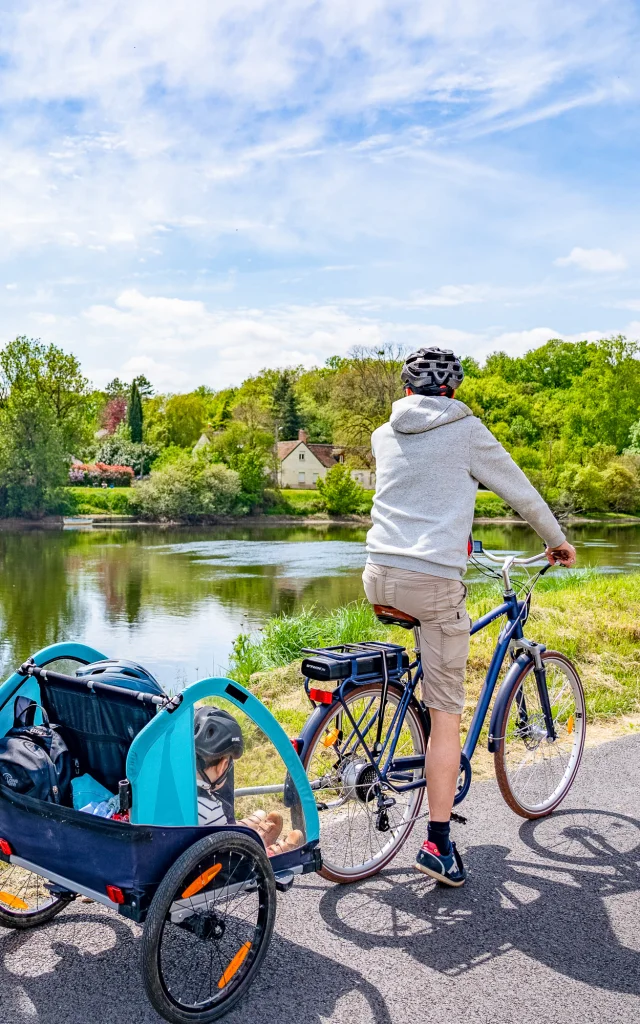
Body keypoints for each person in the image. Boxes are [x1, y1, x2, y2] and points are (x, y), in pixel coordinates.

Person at [363, 347, 576, 887]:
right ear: (453, 392)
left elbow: (417, 492)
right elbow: (521, 494)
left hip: (378, 573)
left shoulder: (384, 433)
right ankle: (437, 845)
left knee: (430, 660)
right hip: (431, 581)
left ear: (407, 390)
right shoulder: (466, 430)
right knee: (446, 714)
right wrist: (556, 541)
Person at [194, 705, 303, 856]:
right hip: (216, 864)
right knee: (239, 849)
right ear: (223, 766)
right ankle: (267, 847)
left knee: (249, 821)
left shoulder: (177, 799)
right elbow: (228, 854)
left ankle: (253, 834)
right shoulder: (211, 809)